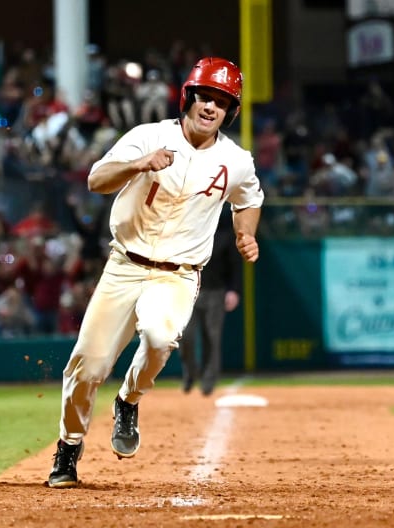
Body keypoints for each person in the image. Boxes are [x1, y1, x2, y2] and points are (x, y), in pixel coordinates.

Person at [48, 56, 263, 489]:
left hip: (178, 274)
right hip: (124, 265)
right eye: (205, 96)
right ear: (189, 97)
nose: (210, 107)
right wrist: (139, 163)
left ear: (229, 112)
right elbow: (96, 179)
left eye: (221, 102)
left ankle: (128, 399)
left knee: (161, 339)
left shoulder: (236, 160)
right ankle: (69, 446)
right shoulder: (149, 136)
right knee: (87, 367)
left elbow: (249, 198)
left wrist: (245, 234)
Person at [179, 205, 242, 396]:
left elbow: (235, 266)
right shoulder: (188, 234)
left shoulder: (224, 236)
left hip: (216, 291)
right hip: (189, 291)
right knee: (185, 336)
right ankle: (190, 371)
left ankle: (208, 380)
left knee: (212, 337)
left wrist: (234, 291)